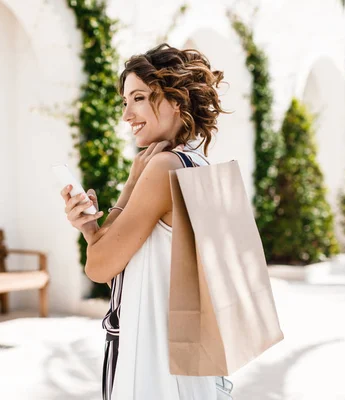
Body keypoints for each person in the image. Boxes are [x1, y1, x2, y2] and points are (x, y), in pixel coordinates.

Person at [59, 43, 226, 400]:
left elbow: (100, 268)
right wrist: (91, 228)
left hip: (154, 359)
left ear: (176, 101)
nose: (126, 114)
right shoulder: (199, 165)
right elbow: (133, 266)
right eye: (124, 101)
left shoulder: (163, 168)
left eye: (138, 98)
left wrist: (131, 185)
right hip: (190, 361)